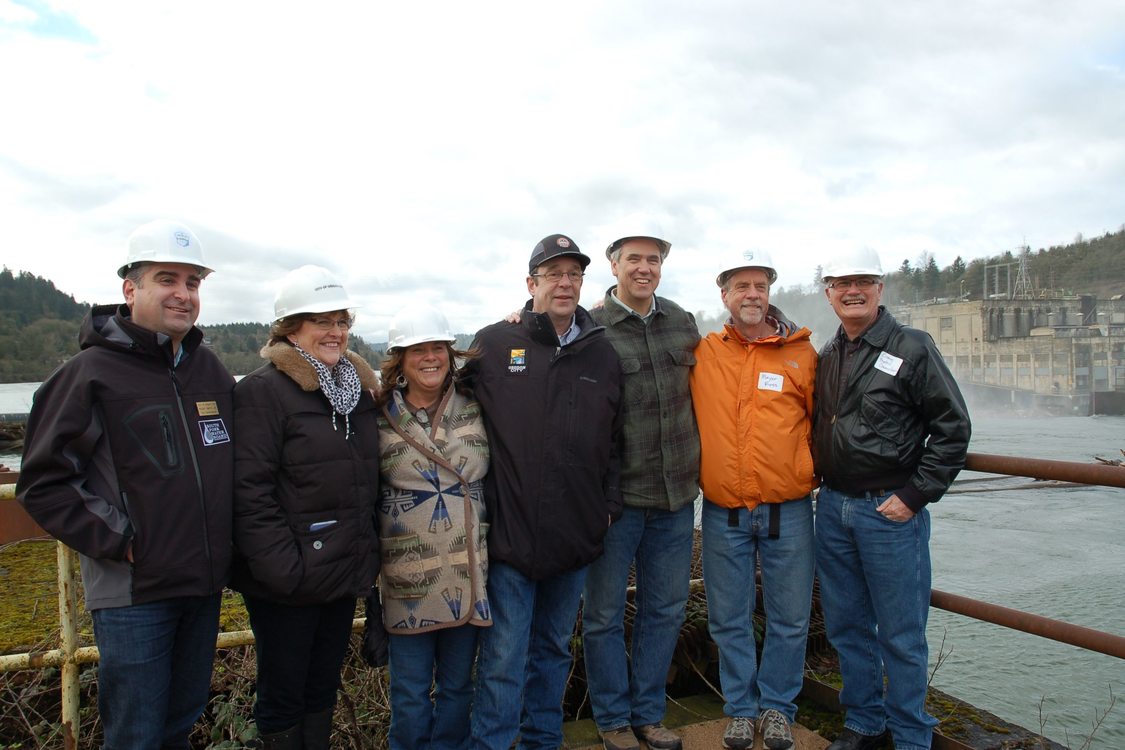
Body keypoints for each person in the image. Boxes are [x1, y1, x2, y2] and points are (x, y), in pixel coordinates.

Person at [17, 219, 234, 749]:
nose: (183, 294)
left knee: (180, 724)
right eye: (167, 279)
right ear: (130, 289)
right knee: (135, 735)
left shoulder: (209, 370)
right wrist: (122, 540)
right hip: (135, 595)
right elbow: (44, 482)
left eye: (194, 282)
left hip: (203, 586)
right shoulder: (88, 374)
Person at [467, 234, 624, 750]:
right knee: (504, 655)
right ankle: (494, 743)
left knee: (555, 648)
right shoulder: (493, 344)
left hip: (575, 533)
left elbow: (617, 441)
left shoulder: (602, 353)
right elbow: (442, 404)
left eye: (573, 274)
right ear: (530, 284)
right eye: (553, 274)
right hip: (511, 535)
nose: (565, 283)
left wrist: (609, 507)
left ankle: (542, 741)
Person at [813, 248, 970, 750]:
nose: (852, 290)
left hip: (889, 512)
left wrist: (915, 495)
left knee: (901, 634)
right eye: (841, 282)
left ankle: (909, 735)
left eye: (863, 281)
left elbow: (953, 429)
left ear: (880, 289)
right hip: (833, 509)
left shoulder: (913, 347)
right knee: (847, 626)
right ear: (829, 292)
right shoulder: (829, 354)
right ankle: (864, 723)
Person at [231, 265, 381, 749]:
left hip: (339, 573)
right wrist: (283, 570)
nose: (336, 332)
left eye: (342, 321)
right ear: (290, 328)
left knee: (320, 689)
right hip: (289, 582)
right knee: (282, 695)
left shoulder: (354, 391)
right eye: (322, 321)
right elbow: (249, 490)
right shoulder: (263, 391)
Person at [689, 250, 817, 750]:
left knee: (789, 617)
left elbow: (821, 419)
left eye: (759, 286)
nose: (751, 295)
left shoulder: (801, 354)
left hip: (788, 510)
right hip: (725, 512)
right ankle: (741, 709)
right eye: (740, 287)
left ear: (769, 293)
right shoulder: (703, 352)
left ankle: (778, 709)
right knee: (728, 616)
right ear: (724, 295)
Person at [582, 229, 700, 750]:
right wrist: (523, 310)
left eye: (653, 260)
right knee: (603, 615)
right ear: (614, 266)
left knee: (666, 610)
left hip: (676, 499)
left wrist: (778, 322)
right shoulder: (591, 327)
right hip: (617, 503)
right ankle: (611, 721)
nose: (644, 268)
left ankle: (648, 715)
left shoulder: (682, 323)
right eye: (634, 259)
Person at [375, 302, 491, 750]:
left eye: (438, 348)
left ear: (451, 352)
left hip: (467, 566)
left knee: (459, 688)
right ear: (399, 359)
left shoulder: (478, 404)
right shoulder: (378, 413)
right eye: (417, 349)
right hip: (407, 572)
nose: (430, 358)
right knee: (408, 693)